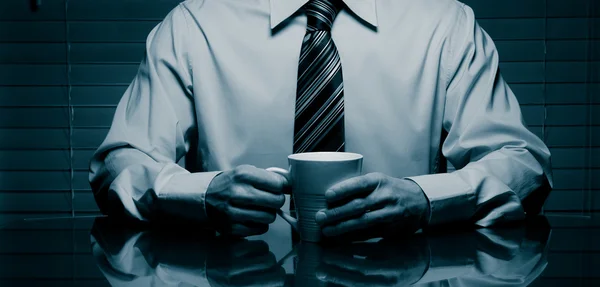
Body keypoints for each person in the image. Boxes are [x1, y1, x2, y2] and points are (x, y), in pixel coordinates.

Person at [89, 0, 553, 239]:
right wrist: (201, 195)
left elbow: (521, 163)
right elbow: (120, 164)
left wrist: (426, 200)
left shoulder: (444, 25)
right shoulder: (194, 26)